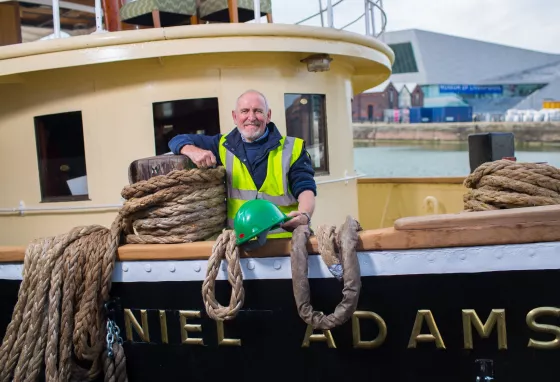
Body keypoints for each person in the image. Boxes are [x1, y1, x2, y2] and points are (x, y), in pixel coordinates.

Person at [168, 89, 316, 237]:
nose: (251, 117)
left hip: (284, 244)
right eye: (245, 111)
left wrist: (304, 215)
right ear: (235, 116)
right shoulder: (222, 145)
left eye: (258, 111)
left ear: (268, 115)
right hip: (241, 244)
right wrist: (192, 151)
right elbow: (177, 140)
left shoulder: (292, 148)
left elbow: (305, 188)